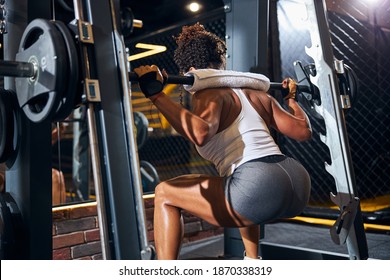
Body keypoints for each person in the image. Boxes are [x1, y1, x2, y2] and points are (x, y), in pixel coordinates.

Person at [134, 23, 312, 260]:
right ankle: (252, 261)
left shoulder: (211, 94)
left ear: (191, 69)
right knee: (235, 182)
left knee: (165, 193)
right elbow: (302, 131)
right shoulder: (259, 94)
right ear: (221, 63)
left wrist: (156, 94)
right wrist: (292, 100)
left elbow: (200, 132)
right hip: (297, 182)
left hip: (256, 184)